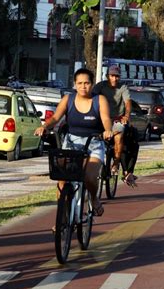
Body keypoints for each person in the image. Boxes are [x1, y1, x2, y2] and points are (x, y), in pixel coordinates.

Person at [35, 68, 112, 217]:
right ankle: (62, 217)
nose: (83, 86)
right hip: (71, 144)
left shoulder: (99, 100)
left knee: (89, 177)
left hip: (94, 144)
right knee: (62, 179)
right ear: (75, 84)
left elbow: (106, 119)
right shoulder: (68, 99)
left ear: (92, 84)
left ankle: (94, 198)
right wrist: (44, 126)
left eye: (87, 83)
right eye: (80, 83)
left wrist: (107, 130)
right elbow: (55, 118)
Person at [92, 65, 131, 176]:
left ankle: (116, 163)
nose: (114, 79)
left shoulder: (123, 87)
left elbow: (128, 102)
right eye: (112, 76)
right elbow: (92, 97)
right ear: (107, 76)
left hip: (117, 119)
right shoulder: (100, 86)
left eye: (117, 76)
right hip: (101, 119)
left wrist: (126, 116)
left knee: (119, 135)